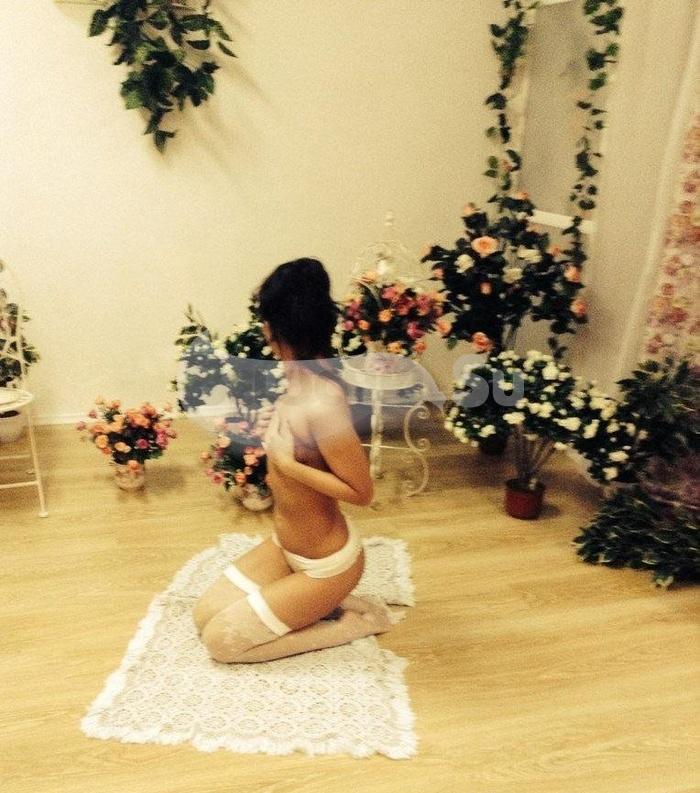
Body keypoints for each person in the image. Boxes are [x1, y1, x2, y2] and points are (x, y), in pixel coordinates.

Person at [192, 258, 393, 663]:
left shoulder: (323, 401)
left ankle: (348, 625)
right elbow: (302, 447)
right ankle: (319, 602)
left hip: (327, 564)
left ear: (276, 329)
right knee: (204, 616)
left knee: (221, 644)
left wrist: (289, 465)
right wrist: (270, 431)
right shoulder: (294, 379)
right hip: (287, 546)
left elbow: (362, 492)